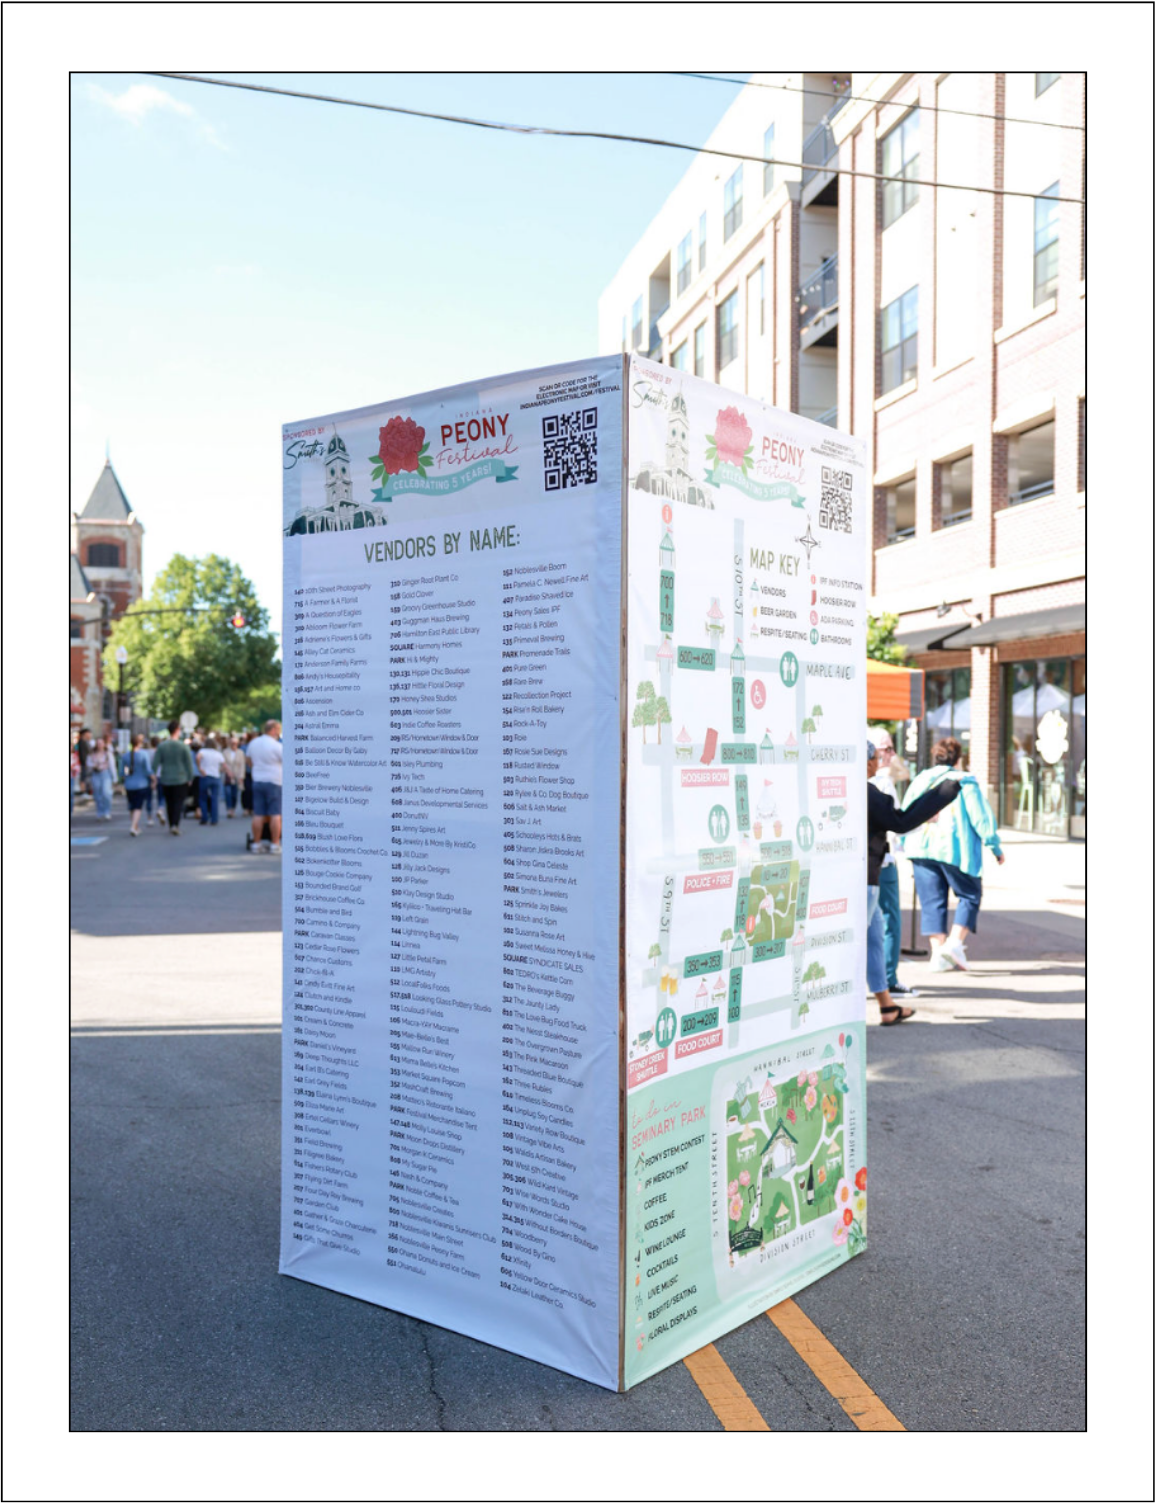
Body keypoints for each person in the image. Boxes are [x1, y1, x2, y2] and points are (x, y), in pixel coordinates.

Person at [867, 741, 961, 1024]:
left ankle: (887, 1006)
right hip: (865, 878)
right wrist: (947, 790)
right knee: (869, 938)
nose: (877, 762)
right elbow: (900, 821)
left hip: (868, 875)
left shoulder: (859, 789)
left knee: (874, 939)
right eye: (875, 756)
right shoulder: (865, 791)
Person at [901, 736, 1005, 973]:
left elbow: (905, 812)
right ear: (958, 759)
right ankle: (954, 944)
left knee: (931, 901)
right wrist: (994, 846)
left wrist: (905, 843)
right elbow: (981, 817)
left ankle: (939, 955)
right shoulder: (964, 780)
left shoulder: (921, 779)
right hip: (954, 849)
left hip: (920, 848)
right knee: (970, 894)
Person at [868, 725, 917, 1001]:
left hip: (871, 861)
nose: (890, 755)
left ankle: (883, 993)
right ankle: (888, 981)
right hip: (882, 862)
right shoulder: (882, 783)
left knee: (874, 926)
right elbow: (899, 822)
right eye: (886, 749)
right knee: (887, 923)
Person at [151, 722, 197, 835]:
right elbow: (189, 764)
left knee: (169, 802)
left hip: (166, 778)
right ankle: (175, 824)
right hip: (181, 778)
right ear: (177, 730)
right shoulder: (183, 746)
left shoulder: (162, 746)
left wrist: (153, 777)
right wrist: (190, 777)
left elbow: (155, 763)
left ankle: (171, 823)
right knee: (178, 802)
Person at [246, 719, 283, 854]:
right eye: (278, 729)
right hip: (274, 781)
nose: (278, 733)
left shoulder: (253, 743)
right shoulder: (277, 746)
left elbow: (248, 760)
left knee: (258, 813)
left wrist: (256, 769)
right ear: (273, 730)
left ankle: (256, 844)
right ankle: (275, 844)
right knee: (275, 814)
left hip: (257, 780)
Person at [120, 734, 155, 836]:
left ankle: (135, 826)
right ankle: (133, 826)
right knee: (138, 807)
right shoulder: (143, 754)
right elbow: (148, 770)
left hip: (129, 784)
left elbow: (123, 772)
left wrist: (127, 778)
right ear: (140, 743)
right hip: (141, 784)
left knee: (132, 806)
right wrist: (154, 779)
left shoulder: (125, 756)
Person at [196, 735, 226, 826]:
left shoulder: (202, 751)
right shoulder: (217, 753)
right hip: (215, 776)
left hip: (205, 776)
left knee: (203, 798)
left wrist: (200, 768)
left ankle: (204, 818)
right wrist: (219, 770)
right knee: (214, 799)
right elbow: (224, 765)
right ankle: (214, 819)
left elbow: (198, 757)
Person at [87, 737, 115, 820]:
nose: (99, 745)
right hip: (95, 774)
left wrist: (115, 778)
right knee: (97, 794)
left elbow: (112, 766)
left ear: (104, 744)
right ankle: (100, 811)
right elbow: (88, 763)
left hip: (105, 773)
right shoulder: (92, 754)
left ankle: (107, 811)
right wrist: (94, 766)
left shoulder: (108, 753)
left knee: (106, 793)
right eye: (98, 743)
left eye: (101, 743)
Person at [222, 735, 245, 818]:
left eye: (235, 743)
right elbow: (222, 763)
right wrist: (227, 771)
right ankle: (229, 809)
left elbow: (242, 765)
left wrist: (241, 777)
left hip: (236, 776)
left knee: (234, 794)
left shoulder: (240, 752)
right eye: (232, 743)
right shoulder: (225, 752)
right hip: (227, 776)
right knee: (228, 793)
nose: (233, 745)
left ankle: (233, 808)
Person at [71, 733, 82, 815]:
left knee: (70, 794)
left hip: (71, 777)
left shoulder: (74, 756)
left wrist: (73, 769)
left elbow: (77, 767)